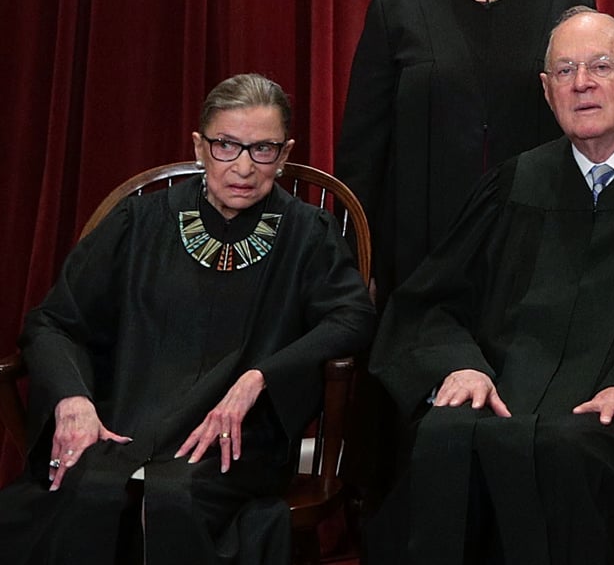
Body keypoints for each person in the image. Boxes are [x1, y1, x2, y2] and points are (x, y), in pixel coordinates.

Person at [369, 8, 614, 565]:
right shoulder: (515, 184)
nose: (582, 83)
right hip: (508, 398)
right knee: (447, 435)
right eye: (565, 71)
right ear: (546, 90)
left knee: (562, 447)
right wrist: (460, 365)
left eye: (601, 65)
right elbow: (431, 298)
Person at [0, 75, 375, 565]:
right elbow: (53, 321)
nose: (243, 166)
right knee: (86, 489)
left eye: (262, 149)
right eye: (226, 145)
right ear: (200, 146)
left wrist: (260, 377)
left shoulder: (309, 234)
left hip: (237, 437)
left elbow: (353, 318)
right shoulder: (140, 222)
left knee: (177, 497)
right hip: (124, 417)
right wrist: (73, 399)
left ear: (284, 155)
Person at [336, 0, 592, 297]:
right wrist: (358, 259)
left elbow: (592, 132)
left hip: (540, 250)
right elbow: (363, 151)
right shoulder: (397, 7)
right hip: (417, 254)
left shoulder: (569, 8)